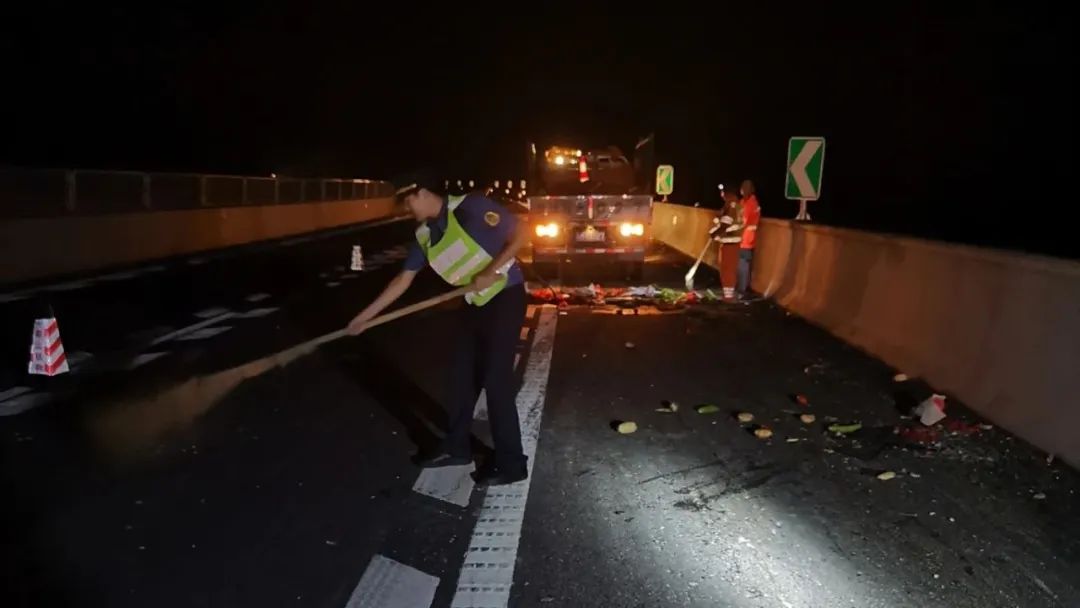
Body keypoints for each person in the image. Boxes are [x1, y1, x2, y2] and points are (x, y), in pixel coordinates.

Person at [347, 171, 530, 486]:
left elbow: (522, 231)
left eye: (407, 204)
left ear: (420, 193)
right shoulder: (424, 236)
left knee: (494, 380)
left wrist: (492, 269)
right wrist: (365, 317)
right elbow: (403, 280)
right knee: (460, 376)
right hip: (474, 303)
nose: (407, 212)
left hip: (505, 297)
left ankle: (512, 463)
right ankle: (457, 448)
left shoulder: (470, 206)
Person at [710, 191, 744, 301]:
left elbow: (725, 224)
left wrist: (714, 233)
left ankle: (728, 296)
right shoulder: (738, 206)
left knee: (727, 270)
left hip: (730, 243)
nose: (722, 196)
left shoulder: (731, 207)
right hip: (733, 242)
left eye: (724, 193)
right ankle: (728, 294)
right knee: (729, 269)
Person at [736, 179, 761, 299]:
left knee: (743, 264)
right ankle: (742, 287)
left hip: (745, 239)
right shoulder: (748, 202)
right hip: (746, 238)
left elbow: (743, 221)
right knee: (743, 264)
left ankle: (742, 289)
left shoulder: (749, 204)